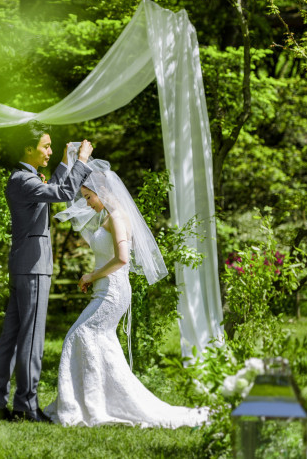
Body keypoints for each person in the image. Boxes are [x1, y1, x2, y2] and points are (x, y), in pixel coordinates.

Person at [43, 152, 210, 428]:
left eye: (88, 197)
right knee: (99, 342)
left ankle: (89, 405)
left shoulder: (117, 217)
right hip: (104, 289)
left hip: (112, 292)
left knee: (78, 335)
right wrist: (93, 278)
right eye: (84, 198)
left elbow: (122, 259)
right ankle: (95, 402)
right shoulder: (108, 216)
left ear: (101, 191)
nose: (87, 203)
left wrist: (91, 274)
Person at [0, 121, 93, 423]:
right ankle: (25, 407)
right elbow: (64, 191)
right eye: (45, 147)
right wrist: (81, 161)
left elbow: (53, 188)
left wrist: (63, 161)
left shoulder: (24, 178)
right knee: (31, 338)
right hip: (33, 268)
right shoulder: (23, 180)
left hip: (24, 266)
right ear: (28, 149)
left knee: (10, 337)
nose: (49, 150)